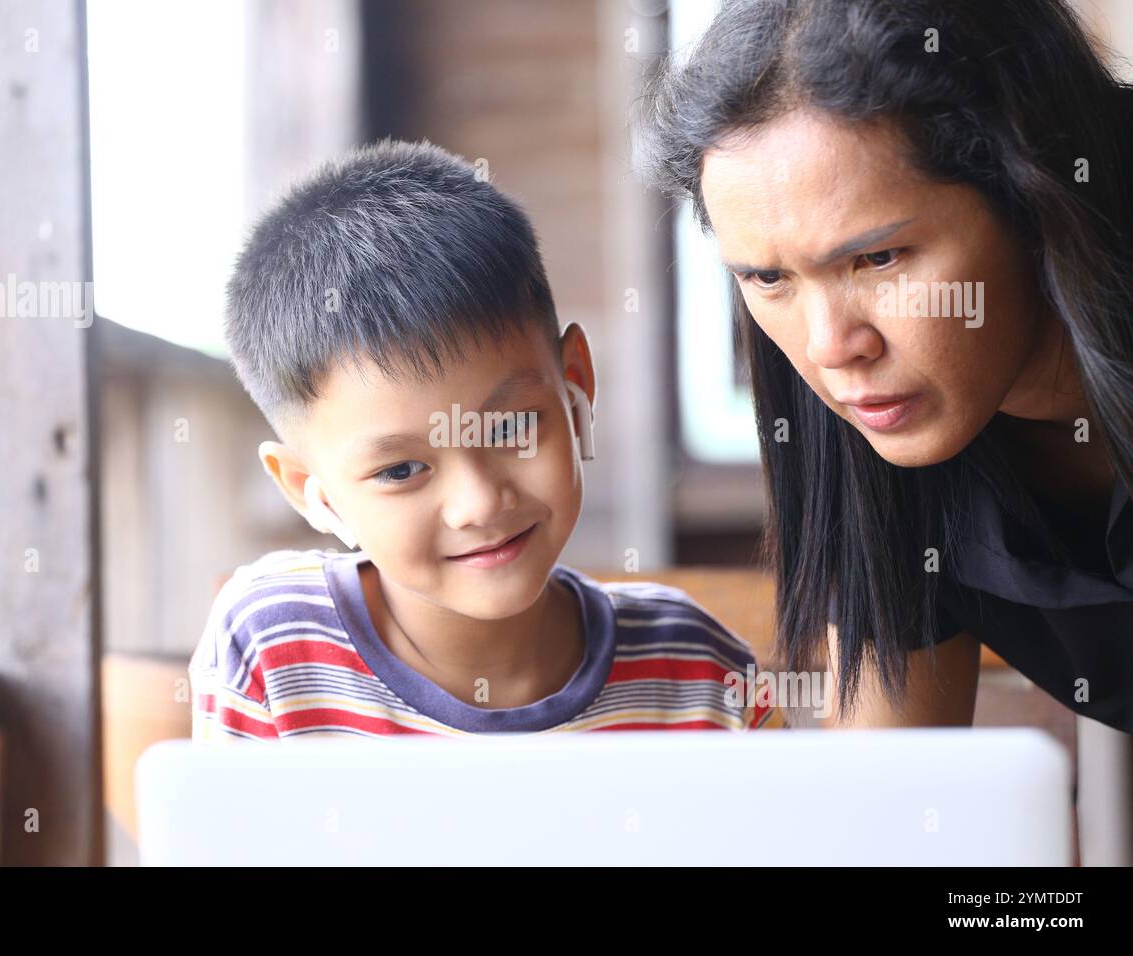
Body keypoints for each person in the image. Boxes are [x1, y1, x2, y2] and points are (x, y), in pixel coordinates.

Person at [639, 0, 1133, 732]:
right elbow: (890, 798)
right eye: (768, 279)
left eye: (878, 259)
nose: (830, 346)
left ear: (1032, 194)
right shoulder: (869, 423)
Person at [188, 139, 783, 738]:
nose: (479, 503)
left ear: (574, 385)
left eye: (512, 428)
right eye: (400, 471)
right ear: (309, 491)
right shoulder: (272, 652)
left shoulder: (702, 678)